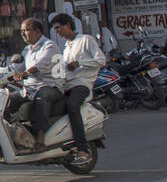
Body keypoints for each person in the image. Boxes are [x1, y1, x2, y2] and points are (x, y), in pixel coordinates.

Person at [53, 13, 104, 150]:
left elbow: (101, 60)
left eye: (58, 28)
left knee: (72, 106)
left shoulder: (86, 40)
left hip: (82, 84)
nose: (57, 31)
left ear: (68, 25)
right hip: (68, 84)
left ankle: (82, 148)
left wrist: (79, 63)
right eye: (55, 29)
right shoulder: (66, 47)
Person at [13, 18, 64, 149]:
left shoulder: (50, 46)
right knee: (7, 99)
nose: (23, 34)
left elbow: (40, 65)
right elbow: (16, 67)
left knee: (42, 97)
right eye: (22, 31)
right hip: (29, 89)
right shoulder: (27, 50)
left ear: (38, 31)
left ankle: (41, 137)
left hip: (51, 86)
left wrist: (25, 74)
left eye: (27, 30)